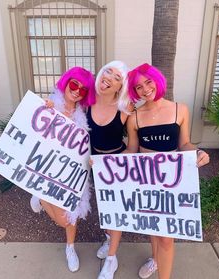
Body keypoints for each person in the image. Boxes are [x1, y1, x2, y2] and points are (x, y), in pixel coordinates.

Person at [125, 63, 210, 279]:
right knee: (153, 228)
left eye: (148, 82)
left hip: (173, 181)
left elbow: (185, 144)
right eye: (138, 87)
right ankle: (155, 260)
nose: (145, 89)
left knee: (166, 236)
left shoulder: (179, 109)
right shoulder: (134, 117)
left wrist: (198, 151)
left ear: (157, 81)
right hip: (146, 180)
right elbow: (132, 150)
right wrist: (104, 164)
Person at [30, 66, 96, 272]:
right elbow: (33, 130)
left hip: (71, 172)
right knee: (61, 220)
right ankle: (40, 196)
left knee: (70, 216)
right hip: (49, 170)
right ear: (66, 83)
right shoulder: (50, 105)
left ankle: (70, 248)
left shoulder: (83, 114)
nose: (77, 90)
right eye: (74, 84)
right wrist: (44, 109)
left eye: (83, 89)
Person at [87, 60, 131, 279]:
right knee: (104, 210)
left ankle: (111, 260)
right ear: (101, 73)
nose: (110, 79)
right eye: (108, 72)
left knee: (116, 213)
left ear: (120, 87)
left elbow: (133, 146)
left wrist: (115, 162)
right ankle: (108, 239)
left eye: (117, 78)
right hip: (95, 165)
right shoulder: (87, 102)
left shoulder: (126, 108)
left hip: (118, 165)